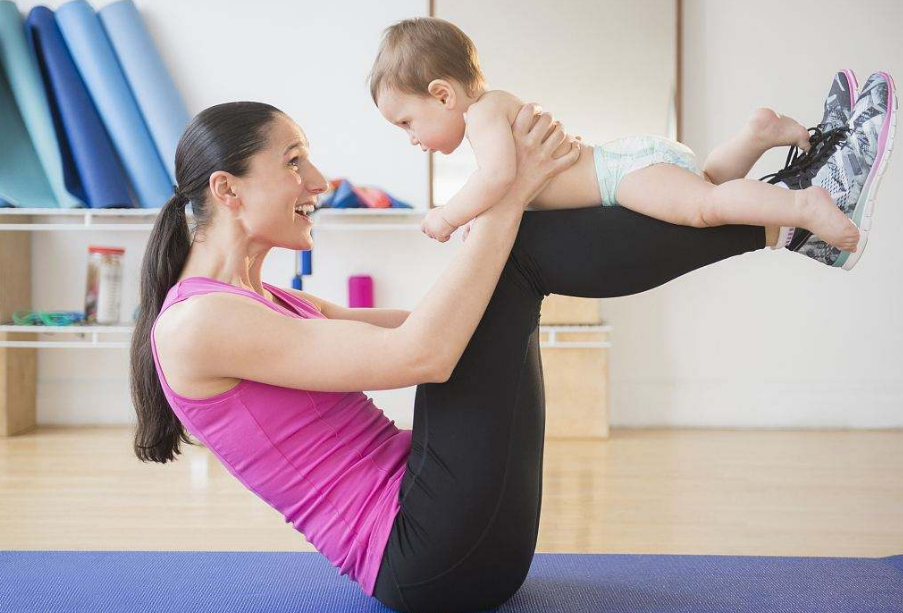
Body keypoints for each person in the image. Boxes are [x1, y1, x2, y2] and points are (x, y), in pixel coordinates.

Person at [130, 95, 877, 613]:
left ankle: (782, 205)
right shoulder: (196, 326)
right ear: (227, 190)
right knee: (511, 243)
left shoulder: (260, 302)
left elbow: (420, 324)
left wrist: (515, 195)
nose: (319, 181)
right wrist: (506, 197)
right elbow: (423, 355)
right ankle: (783, 214)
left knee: (506, 253)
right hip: (430, 555)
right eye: (293, 161)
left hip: (450, 534)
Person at [369, 18, 896, 271]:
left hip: (621, 178)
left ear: (441, 94)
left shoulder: (484, 113)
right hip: (633, 160)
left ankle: (802, 205)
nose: (412, 139)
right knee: (709, 184)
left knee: (707, 208)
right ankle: (756, 135)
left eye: (407, 122)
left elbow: (499, 179)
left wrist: (448, 216)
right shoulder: (494, 109)